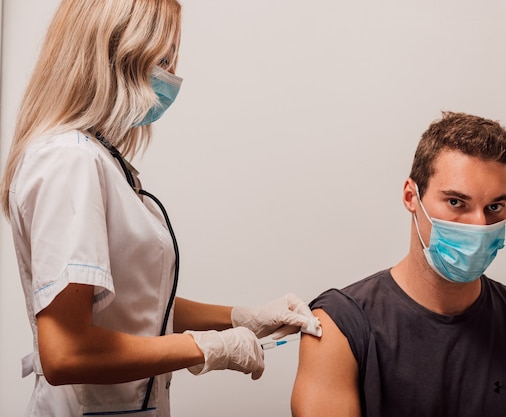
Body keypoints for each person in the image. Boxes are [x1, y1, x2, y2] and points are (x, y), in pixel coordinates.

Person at [0, 1, 320, 416]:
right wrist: (204, 348)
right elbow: (65, 353)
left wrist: (242, 318)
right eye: (164, 57)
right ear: (118, 50)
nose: (172, 74)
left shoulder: (98, 160)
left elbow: (137, 305)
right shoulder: (69, 160)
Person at [291, 112, 506, 417]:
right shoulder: (340, 326)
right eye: (456, 202)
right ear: (411, 196)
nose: (479, 225)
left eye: (495, 206)